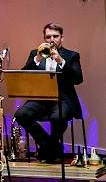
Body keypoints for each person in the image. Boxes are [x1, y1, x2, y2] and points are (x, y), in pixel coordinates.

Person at [13, 23, 83, 163]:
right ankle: (50, 146)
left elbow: (78, 79)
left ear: (61, 38)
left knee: (57, 117)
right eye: (48, 36)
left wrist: (61, 61)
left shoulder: (72, 55)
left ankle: (47, 149)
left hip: (62, 100)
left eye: (55, 36)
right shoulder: (35, 54)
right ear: (44, 38)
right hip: (40, 99)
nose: (52, 40)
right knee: (20, 114)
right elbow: (24, 75)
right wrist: (37, 59)